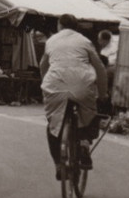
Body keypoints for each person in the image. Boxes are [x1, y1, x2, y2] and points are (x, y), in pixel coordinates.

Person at [40, 14, 108, 177]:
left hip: (55, 86)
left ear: (59, 25)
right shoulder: (85, 41)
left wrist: (45, 86)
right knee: (90, 114)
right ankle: (84, 144)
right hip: (82, 86)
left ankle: (58, 165)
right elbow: (100, 69)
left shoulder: (51, 41)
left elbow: (43, 66)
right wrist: (103, 95)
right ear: (76, 27)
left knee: (53, 124)